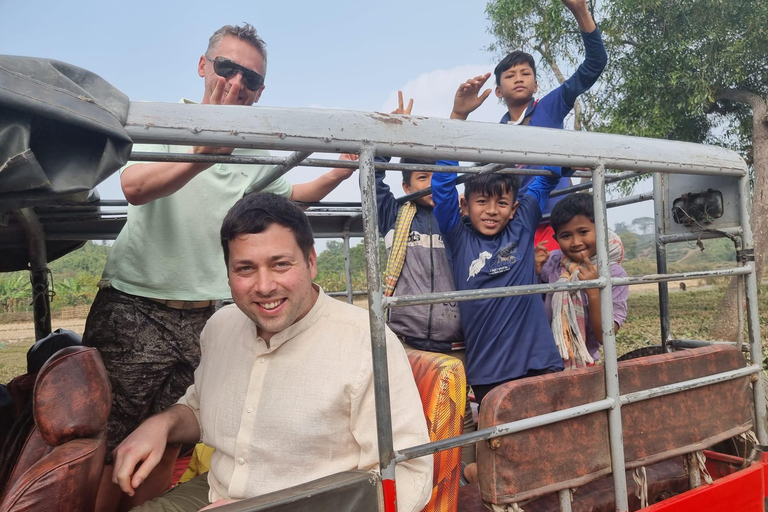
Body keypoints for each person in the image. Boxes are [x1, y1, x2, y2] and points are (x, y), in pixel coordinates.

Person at [82, 23, 355, 511]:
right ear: (203, 66)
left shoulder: (253, 149)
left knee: (171, 439)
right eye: (227, 68)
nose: (235, 83)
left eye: (249, 79)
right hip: (134, 306)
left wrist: (342, 168)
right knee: (102, 444)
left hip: (205, 316)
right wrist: (202, 155)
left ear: (260, 92)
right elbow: (135, 187)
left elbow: (292, 199)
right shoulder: (162, 122)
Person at [112, 193, 433, 512]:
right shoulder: (219, 327)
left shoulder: (365, 342)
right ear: (228, 273)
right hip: (215, 491)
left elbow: (410, 475)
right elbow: (200, 408)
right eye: (245, 269)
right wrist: (162, 425)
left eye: (280, 264)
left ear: (310, 261)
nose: (264, 286)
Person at [448, 0, 607, 250]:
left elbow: (594, 65)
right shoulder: (495, 133)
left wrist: (581, 12)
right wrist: (459, 113)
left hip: (556, 218)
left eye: (525, 73)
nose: (519, 79)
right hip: (516, 222)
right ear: (498, 91)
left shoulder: (550, 105)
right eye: (510, 76)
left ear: (536, 85)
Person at [536, 193, 628, 369]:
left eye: (583, 232)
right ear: (556, 239)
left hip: (584, 363)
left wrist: (593, 292)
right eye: (566, 236)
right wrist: (534, 269)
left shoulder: (614, 274)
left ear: (601, 229)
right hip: (545, 361)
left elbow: (605, 336)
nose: (576, 242)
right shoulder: (554, 262)